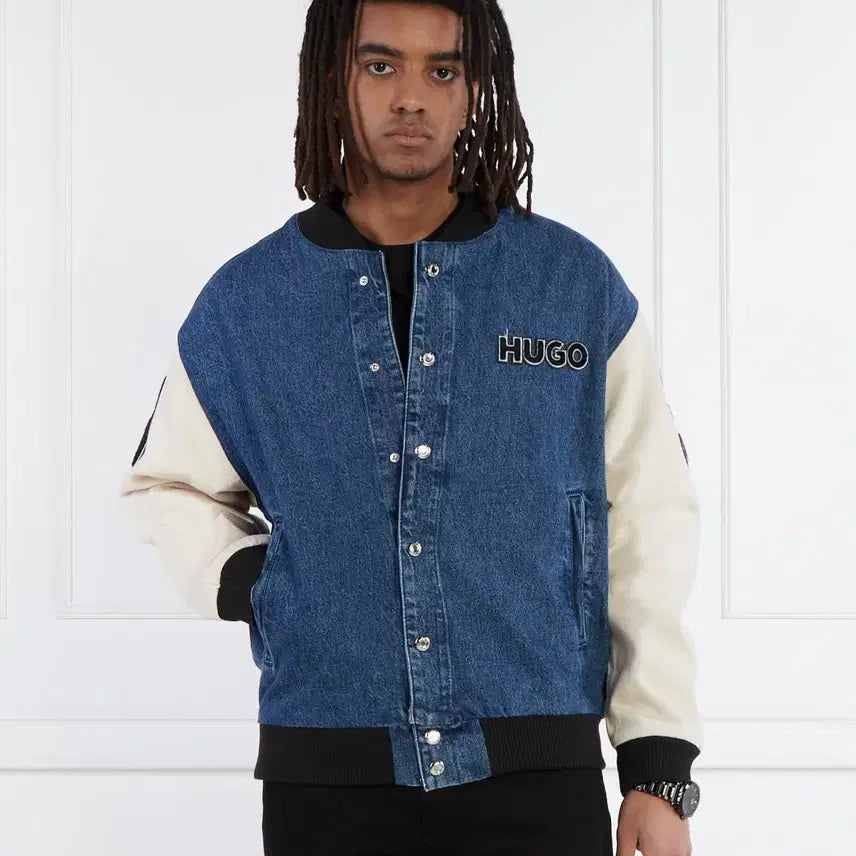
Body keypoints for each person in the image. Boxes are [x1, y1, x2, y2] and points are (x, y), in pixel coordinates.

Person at [117, 1, 703, 853]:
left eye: (443, 69)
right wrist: (264, 584)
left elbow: (648, 512)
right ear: (334, 79)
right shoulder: (247, 306)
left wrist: (657, 764)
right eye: (381, 65)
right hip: (328, 780)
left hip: (540, 772)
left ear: (475, 89)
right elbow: (166, 485)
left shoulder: (572, 288)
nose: (410, 97)